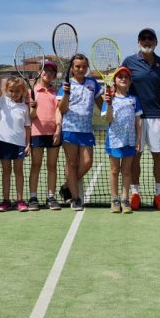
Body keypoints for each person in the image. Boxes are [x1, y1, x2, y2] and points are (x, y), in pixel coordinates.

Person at [121, 28, 160, 211]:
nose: (147, 41)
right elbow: (120, 82)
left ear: (156, 42)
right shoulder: (129, 61)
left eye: (150, 38)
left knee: (158, 157)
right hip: (136, 117)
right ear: (138, 42)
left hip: (157, 117)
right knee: (135, 158)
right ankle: (135, 194)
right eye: (143, 39)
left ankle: (159, 195)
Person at [57, 53, 102, 211]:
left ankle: (67, 186)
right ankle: (75, 199)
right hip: (69, 129)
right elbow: (61, 109)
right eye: (77, 66)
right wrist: (66, 94)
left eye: (84, 66)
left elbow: (101, 104)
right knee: (71, 163)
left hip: (86, 130)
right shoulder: (65, 85)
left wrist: (109, 107)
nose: (81, 69)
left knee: (87, 162)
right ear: (72, 68)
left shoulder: (92, 83)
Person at [102, 66, 142, 213]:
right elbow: (107, 119)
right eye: (120, 76)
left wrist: (138, 139)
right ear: (115, 81)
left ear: (130, 81)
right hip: (114, 140)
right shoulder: (109, 99)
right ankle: (115, 199)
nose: (123, 79)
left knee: (126, 171)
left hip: (130, 141)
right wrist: (108, 104)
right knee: (114, 171)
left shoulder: (134, 100)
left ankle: (125, 200)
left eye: (126, 77)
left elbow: (138, 122)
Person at [0, 74, 33, 212]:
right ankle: (5, 200)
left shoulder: (24, 107)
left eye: (17, 90)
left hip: (20, 145)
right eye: (11, 90)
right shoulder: (3, 101)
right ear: (6, 91)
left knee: (19, 172)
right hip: (3, 143)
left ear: (22, 91)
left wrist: (28, 144)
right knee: (6, 172)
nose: (14, 93)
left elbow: (27, 127)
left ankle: (20, 200)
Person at [29, 60, 61, 210]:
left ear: (54, 75)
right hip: (37, 134)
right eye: (45, 70)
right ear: (40, 72)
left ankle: (51, 197)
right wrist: (33, 108)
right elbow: (30, 116)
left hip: (53, 133)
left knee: (52, 166)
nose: (47, 73)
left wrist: (58, 130)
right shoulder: (32, 91)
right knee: (36, 165)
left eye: (51, 71)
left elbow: (58, 111)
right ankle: (33, 197)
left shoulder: (56, 93)